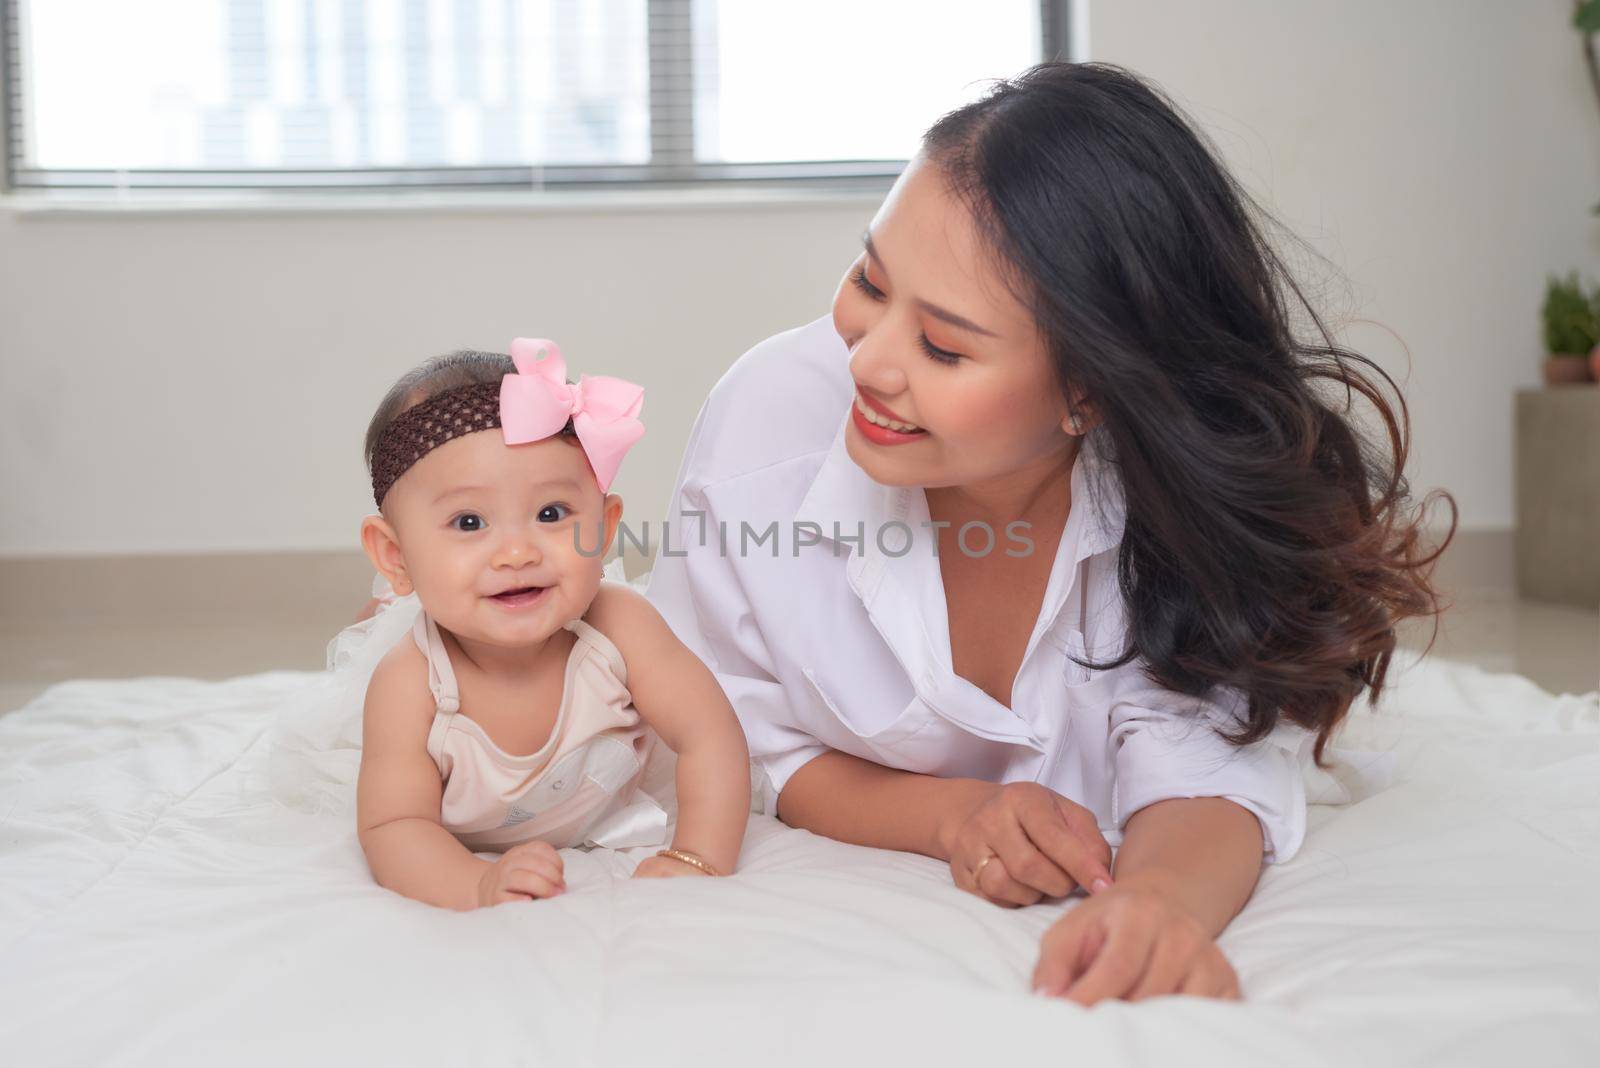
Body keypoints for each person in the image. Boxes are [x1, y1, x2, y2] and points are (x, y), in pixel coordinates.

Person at [644, 63, 1450, 1004]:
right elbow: (740, 731)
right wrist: (955, 817)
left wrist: (1155, 905)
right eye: (869, 279)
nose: (867, 361)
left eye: (943, 347)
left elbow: (1203, 771)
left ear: (1089, 391)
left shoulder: (1169, 525)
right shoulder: (763, 437)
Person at [353, 339, 750, 910]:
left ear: (603, 525)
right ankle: (379, 610)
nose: (516, 553)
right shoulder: (411, 683)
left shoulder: (620, 627)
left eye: (550, 514)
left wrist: (697, 855)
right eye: (469, 522)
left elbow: (711, 736)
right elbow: (393, 826)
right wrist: (477, 885)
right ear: (395, 556)